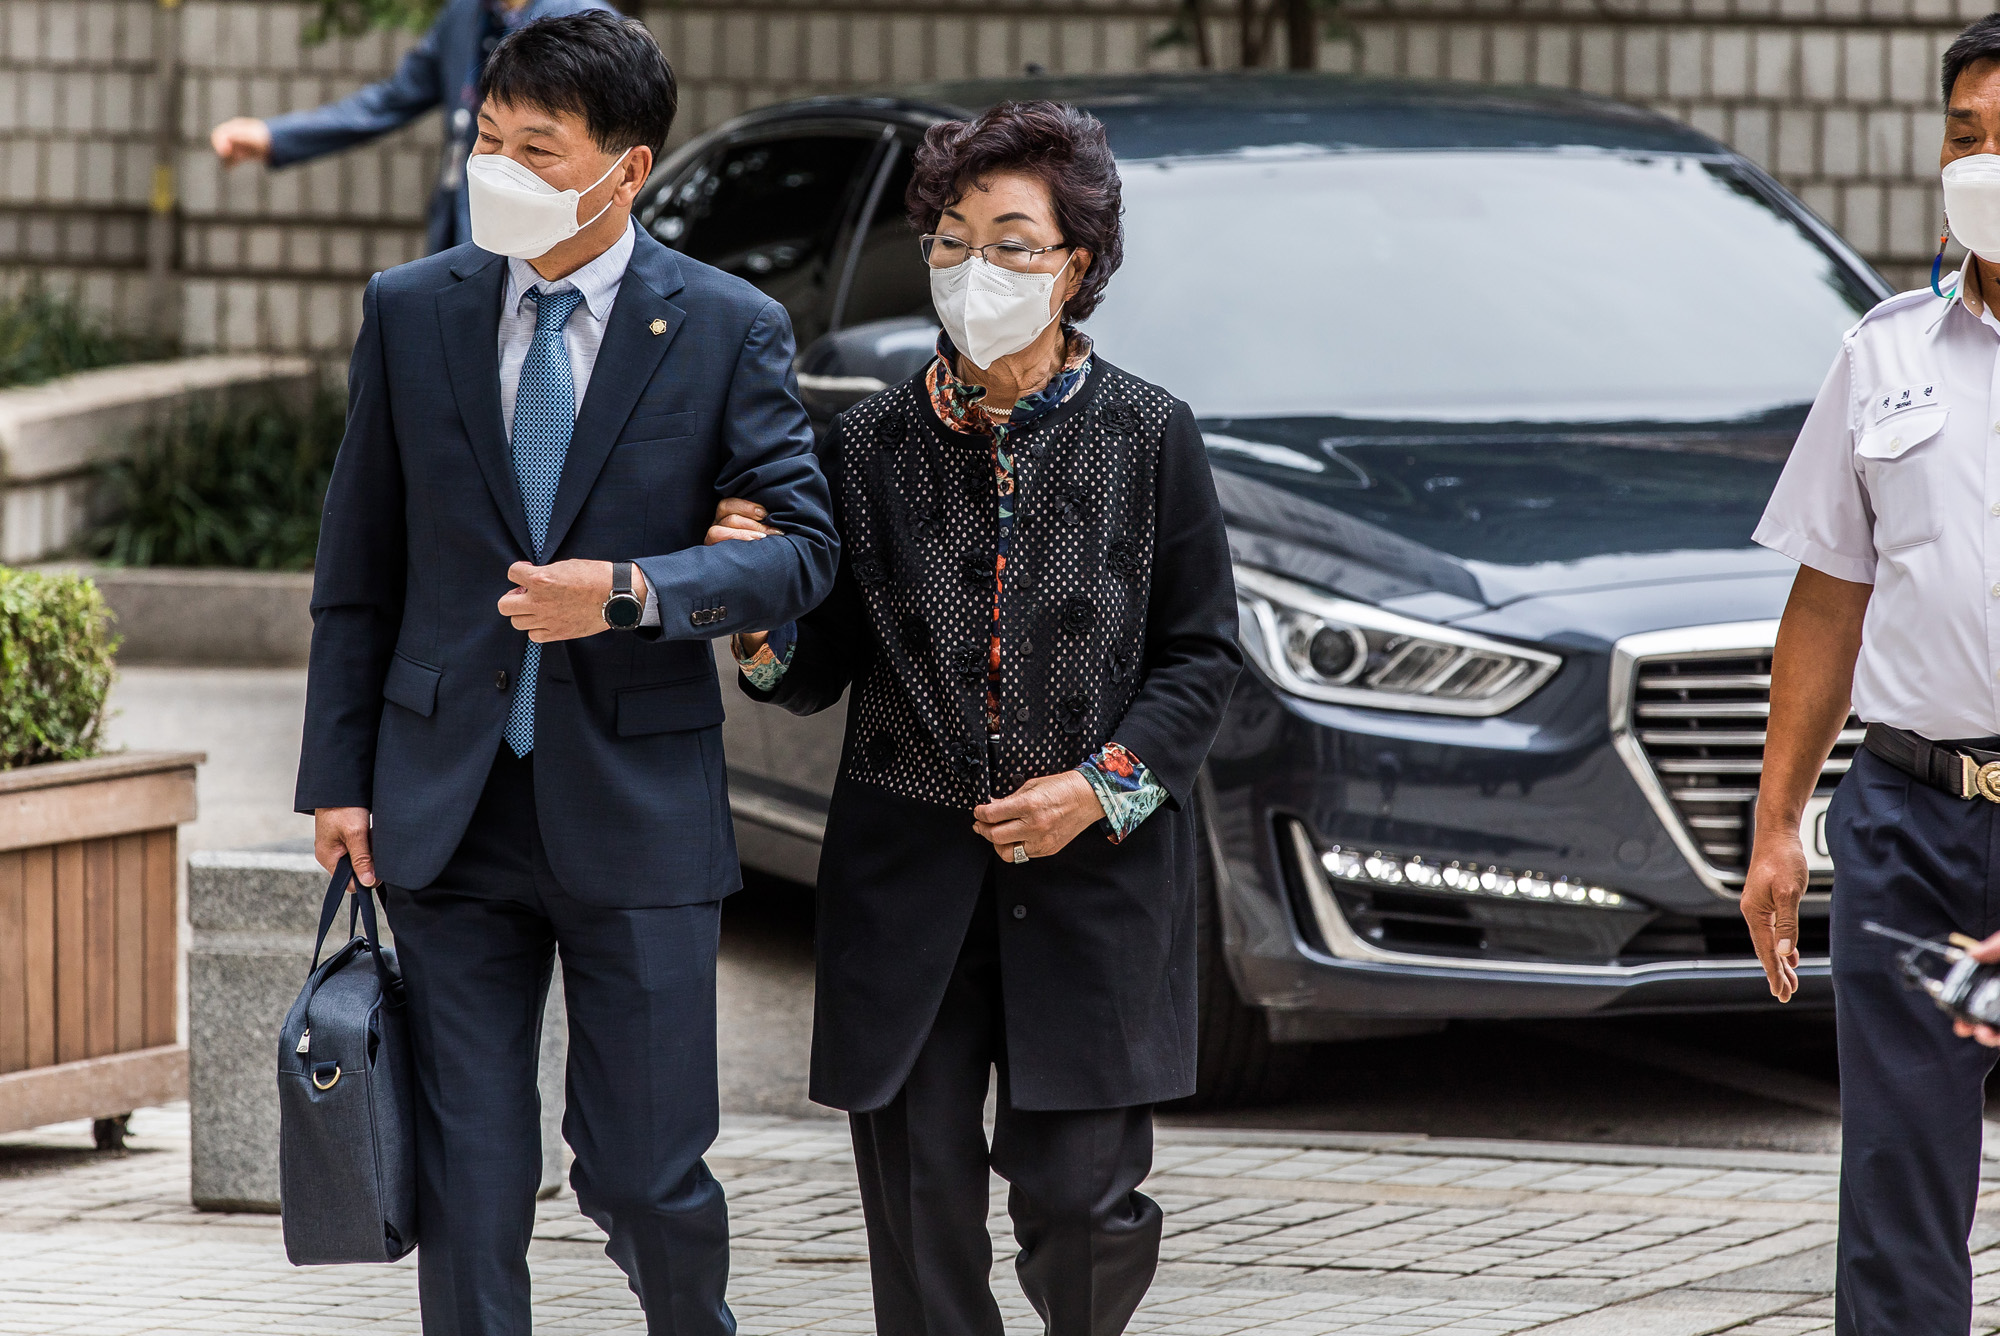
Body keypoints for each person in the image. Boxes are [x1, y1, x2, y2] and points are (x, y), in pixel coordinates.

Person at [293, 13, 838, 1334]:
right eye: (490, 139)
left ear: (625, 168)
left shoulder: (723, 328)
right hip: (446, 805)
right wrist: (338, 778)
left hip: (635, 803)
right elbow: (358, 565)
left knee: (643, 1173)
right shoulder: (415, 310)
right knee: (472, 1178)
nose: (502, 169)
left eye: (538, 148)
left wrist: (640, 590)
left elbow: (804, 549)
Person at [710, 101, 1241, 1334]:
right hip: (907, 885)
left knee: (1084, 1205)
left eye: (1010, 242)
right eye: (951, 240)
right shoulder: (868, 445)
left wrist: (1094, 789)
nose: (972, 270)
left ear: (1078, 265)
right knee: (920, 1212)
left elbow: (1200, 658)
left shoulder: (1152, 436)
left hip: (1093, 877)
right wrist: (759, 620)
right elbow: (816, 663)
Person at [1745, 16, 2000, 1333]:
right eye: (1968, 137)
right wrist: (1779, 818)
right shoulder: (1885, 355)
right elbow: (1830, 597)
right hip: (1913, 823)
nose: (1985, 163)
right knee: (1901, 1178)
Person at [211, 0, 612, 255]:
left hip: (543, 238)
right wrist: (274, 136)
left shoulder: (583, 22)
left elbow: (612, 140)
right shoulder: (462, 15)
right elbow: (391, 99)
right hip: (460, 225)